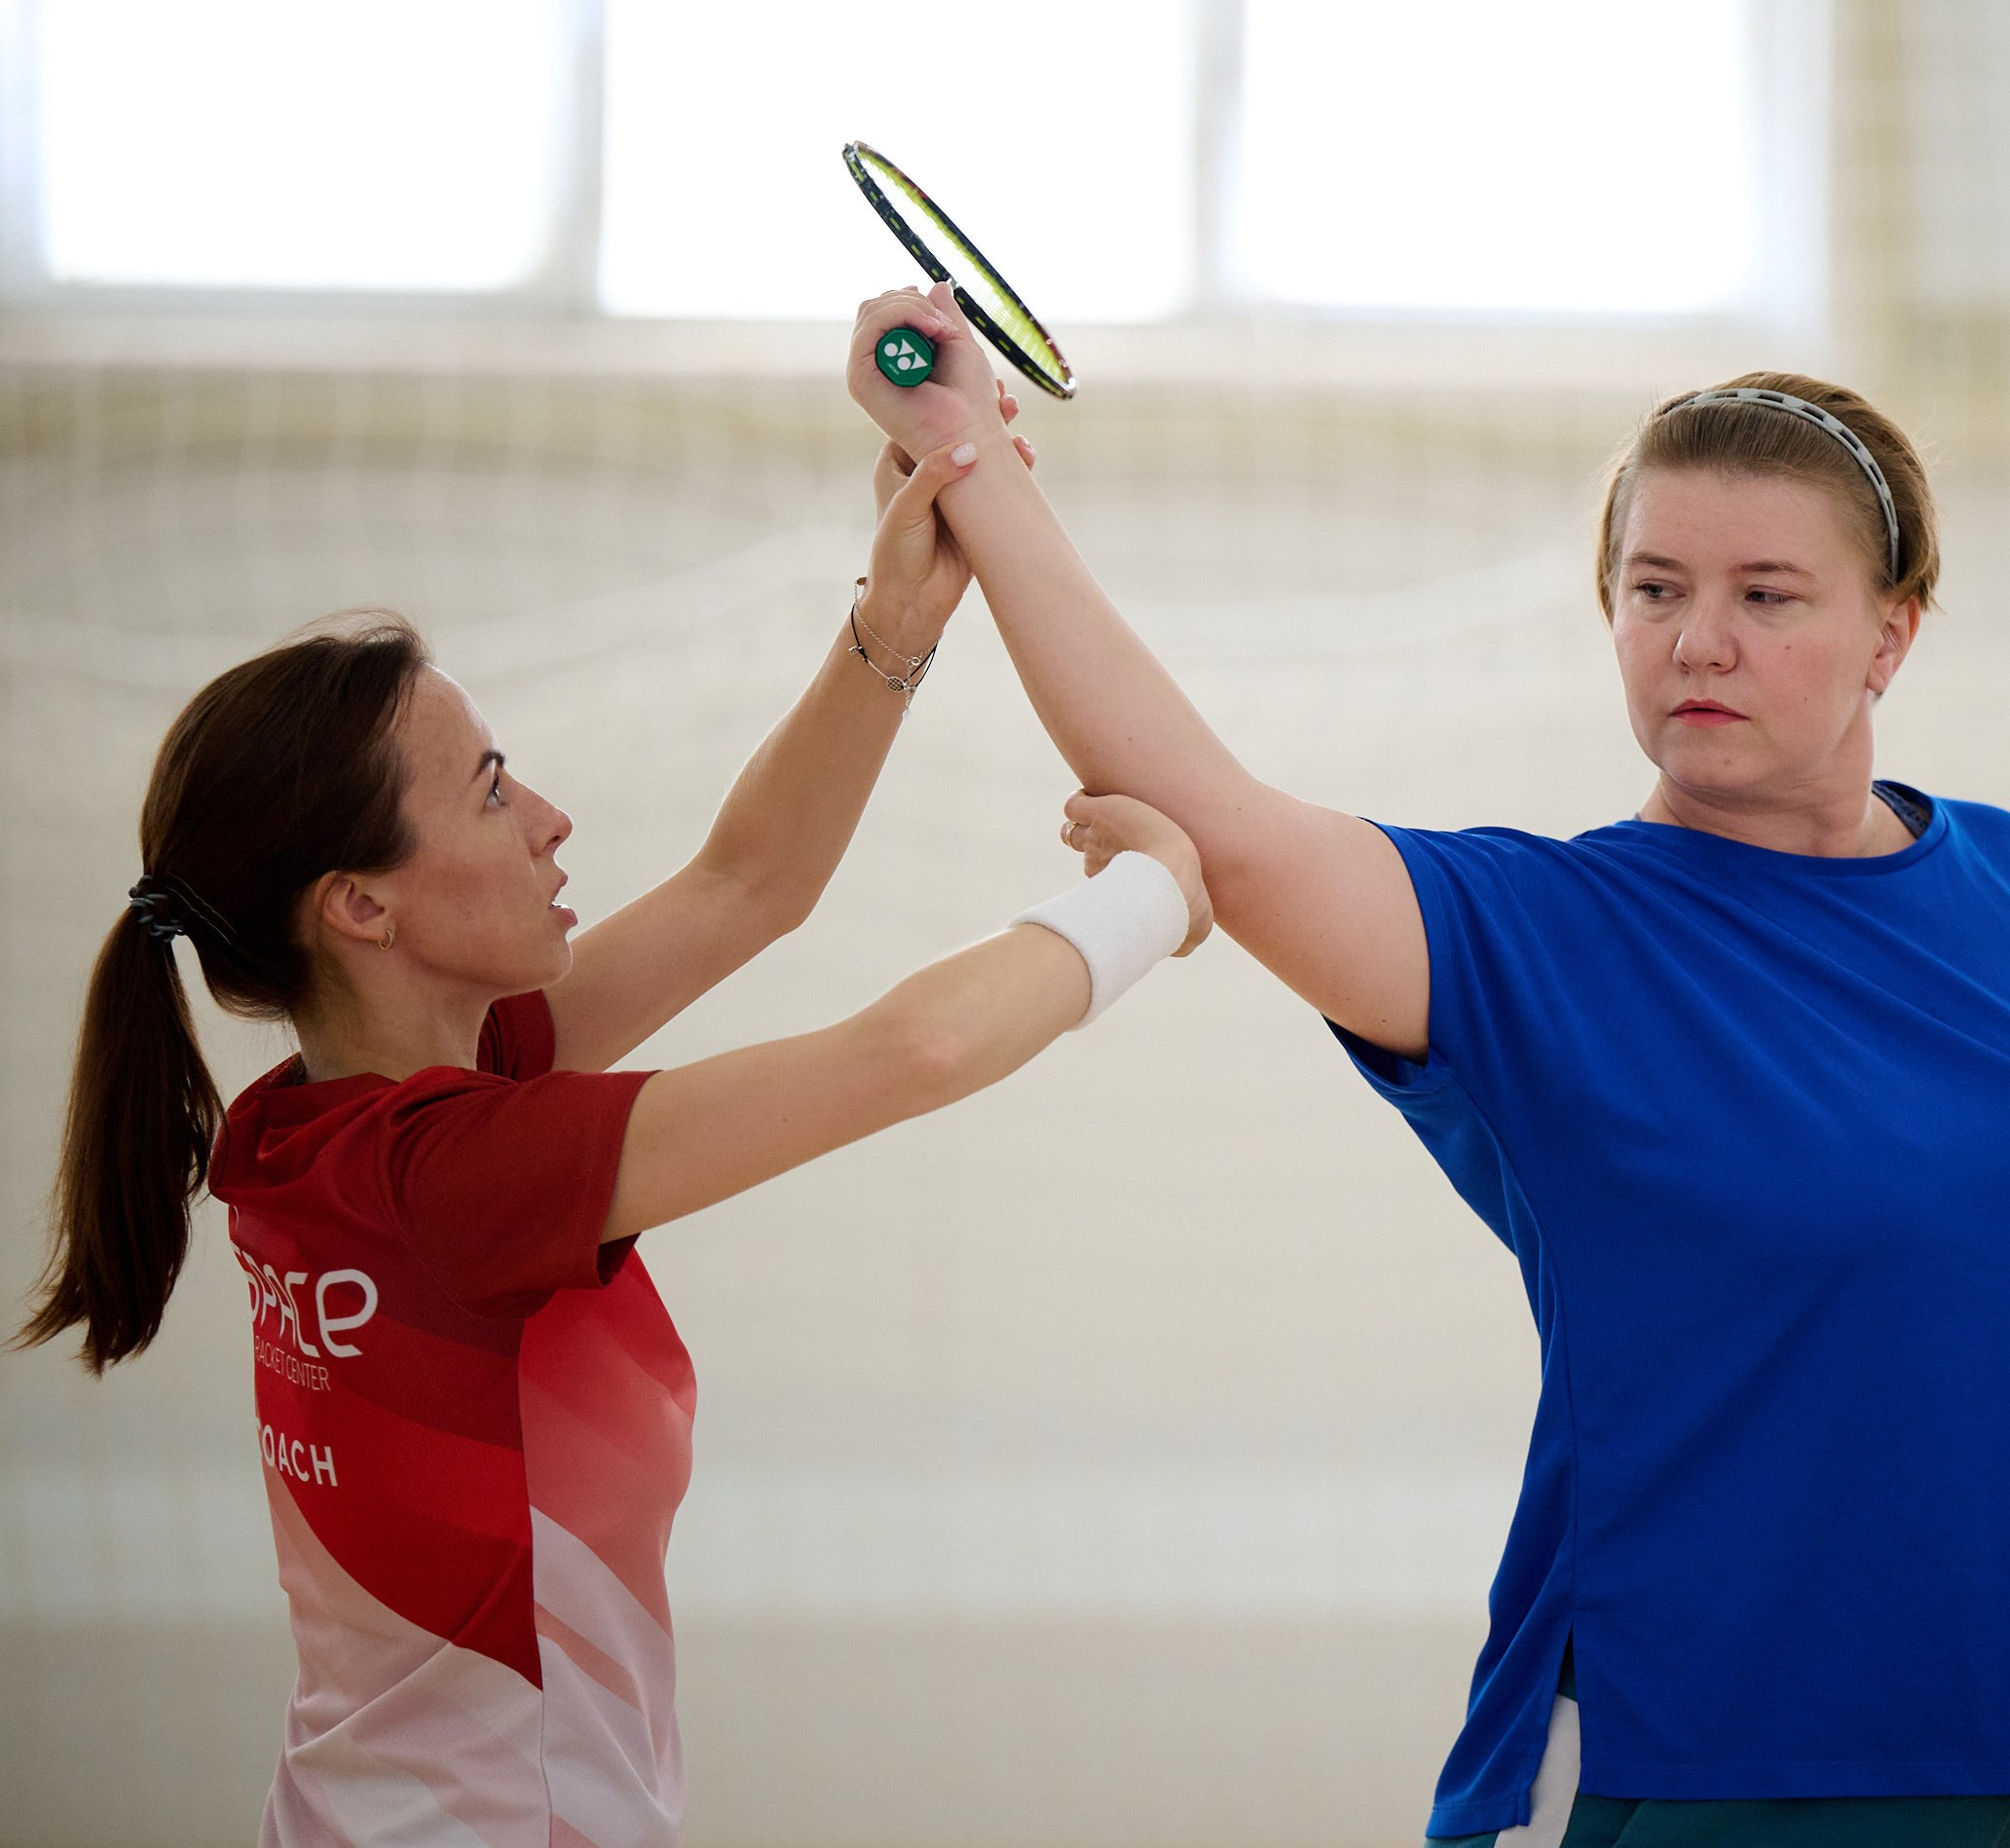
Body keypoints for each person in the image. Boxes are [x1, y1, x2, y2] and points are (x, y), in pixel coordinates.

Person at [842, 285, 2010, 1848]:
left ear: (1892, 635)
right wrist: (969, 454)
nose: (1697, 640)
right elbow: (1211, 812)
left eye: (1768, 594)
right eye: (1654, 587)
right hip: (1692, 1768)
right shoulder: (1543, 931)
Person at [14, 391, 1211, 1848]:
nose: (551, 819)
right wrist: (1157, 892)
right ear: (363, 904)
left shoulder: (316, 1129)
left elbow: (744, 882)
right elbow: (916, 1047)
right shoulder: (461, 1175)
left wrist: (895, 616)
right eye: (492, 789)